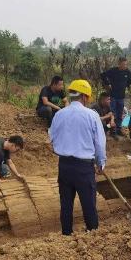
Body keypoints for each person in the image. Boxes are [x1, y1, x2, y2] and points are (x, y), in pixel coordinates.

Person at [50, 79, 106, 235]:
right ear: (85, 97)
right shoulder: (92, 115)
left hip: (64, 165)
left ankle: (66, 235)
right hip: (83, 167)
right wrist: (100, 163)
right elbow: (99, 143)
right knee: (88, 204)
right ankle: (92, 234)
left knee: (66, 204)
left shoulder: (59, 114)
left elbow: (52, 138)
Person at [101, 57, 131, 136]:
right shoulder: (113, 70)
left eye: (126, 64)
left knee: (120, 113)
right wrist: (108, 83)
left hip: (121, 96)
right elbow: (103, 75)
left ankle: (119, 129)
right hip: (113, 96)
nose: (125, 66)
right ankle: (112, 130)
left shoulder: (127, 72)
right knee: (113, 113)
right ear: (119, 64)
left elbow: (130, 79)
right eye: (123, 64)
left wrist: (127, 85)